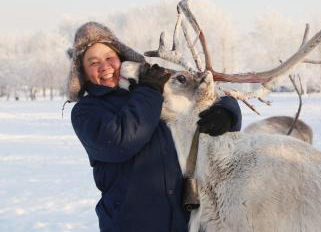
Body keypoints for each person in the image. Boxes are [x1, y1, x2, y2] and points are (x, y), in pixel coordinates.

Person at [67, 22, 242, 232]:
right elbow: (121, 141)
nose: (104, 67)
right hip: (132, 224)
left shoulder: (145, 88)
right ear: (83, 73)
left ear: (121, 58)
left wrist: (227, 113)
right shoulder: (87, 110)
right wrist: (149, 90)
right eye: (93, 63)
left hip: (183, 221)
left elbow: (197, 89)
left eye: (109, 58)